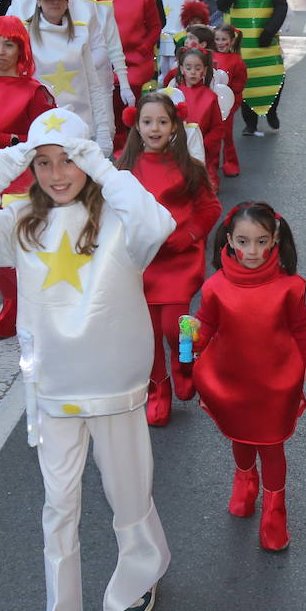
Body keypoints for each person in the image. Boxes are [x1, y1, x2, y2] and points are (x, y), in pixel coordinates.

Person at [0, 109, 174, 611]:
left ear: (87, 161)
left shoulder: (120, 217)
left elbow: (158, 224)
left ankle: (141, 567)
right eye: (43, 162)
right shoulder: (21, 219)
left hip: (114, 383)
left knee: (128, 489)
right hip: (53, 389)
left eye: (67, 159)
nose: (56, 173)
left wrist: (97, 160)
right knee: (58, 506)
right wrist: (1, 170)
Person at [192, 202, 306, 551]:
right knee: (240, 436)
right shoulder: (215, 286)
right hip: (231, 378)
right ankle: (244, 481)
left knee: (271, 445)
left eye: (261, 241)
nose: (251, 251)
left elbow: (303, 328)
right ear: (229, 240)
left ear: (275, 240)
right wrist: (191, 342)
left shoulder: (290, 287)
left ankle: (274, 511)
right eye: (243, 241)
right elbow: (206, 324)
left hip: (275, 382)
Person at [117, 92, 221, 426]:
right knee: (147, 334)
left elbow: (209, 209)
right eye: (148, 122)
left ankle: (185, 360)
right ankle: (158, 389)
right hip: (142, 264)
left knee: (173, 328)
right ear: (136, 124)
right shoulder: (124, 168)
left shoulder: (189, 167)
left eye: (163, 121)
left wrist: (188, 236)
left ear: (174, 124)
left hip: (178, 261)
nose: (155, 128)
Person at [25, 0, 113, 155]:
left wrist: (103, 130)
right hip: (42, 127)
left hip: (80, 126)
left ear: (67, 2)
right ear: (39, 1)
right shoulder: (25, 35)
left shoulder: (80, 33)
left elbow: (93, 85)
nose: (54, 3)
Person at [217, 0, 287, 137]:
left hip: (266, 41)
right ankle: (250, 123)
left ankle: (271, 110)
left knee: (276, 77)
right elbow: (222, 4)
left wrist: (270, 30)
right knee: (245, 83)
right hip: (240, 44)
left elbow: (281, 7)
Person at [97, 0, 159, 149]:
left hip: (134, 61)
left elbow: (155, 26)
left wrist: (145, 47)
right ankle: (117, 148)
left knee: (130, 109)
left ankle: (131, 149)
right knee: (109, 110)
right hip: (106, 61)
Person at [164, 47, 225, 190]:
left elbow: (217, 127)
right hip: (178, 146)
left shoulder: (211, 97)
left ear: (204, 70)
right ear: (182, 69)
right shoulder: (175, 95)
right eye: (188, 67)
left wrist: (204, 144)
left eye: (197, 68)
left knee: (204, 186)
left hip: (203, 149)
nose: (193, 72)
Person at [211, 23, 247, 176]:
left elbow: (239, 83)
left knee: (226, 134)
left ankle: (230, 162)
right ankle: (211, 164)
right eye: (217, 39)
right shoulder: (208, 55)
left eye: (223, 39)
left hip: (227, 104)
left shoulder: (236, 60)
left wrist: (231, 99)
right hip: (210, 103)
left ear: (232, 41)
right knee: (211, 135)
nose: (220, 43)